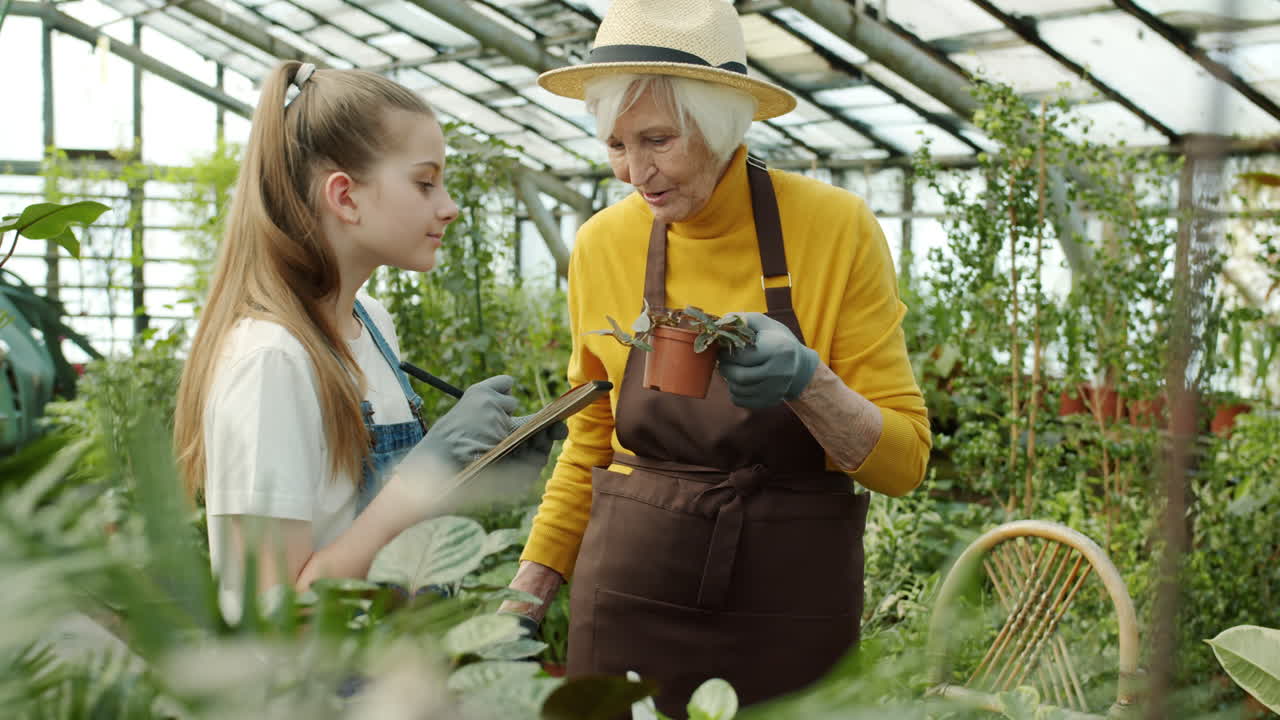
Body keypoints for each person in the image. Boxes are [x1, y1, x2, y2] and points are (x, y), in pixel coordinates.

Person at [498, 0, 931, 712]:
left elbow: (905, 463)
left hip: (789, 607)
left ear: (721, 124)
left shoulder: (833, 228)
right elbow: (591, 443)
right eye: (615, 144)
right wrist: (529, 592)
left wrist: (808, 382)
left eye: (658, 140)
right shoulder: (604, 244)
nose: (635, 172)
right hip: (629, 597)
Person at [173, 61, 558, 623]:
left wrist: (475, 477)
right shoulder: (270, 361)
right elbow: (276, 616)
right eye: (425, 182)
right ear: (346, 198)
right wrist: (425, 476)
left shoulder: (369, 325)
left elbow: (370, 529)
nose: (448, 205)